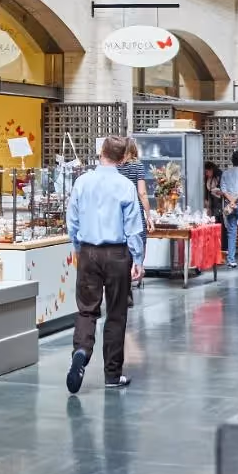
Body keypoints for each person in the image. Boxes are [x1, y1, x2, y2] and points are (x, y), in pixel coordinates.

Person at [64, 136, 144, 393]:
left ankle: (81, 351)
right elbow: (133, 227)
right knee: (117, 313)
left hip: (88, 251)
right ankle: (112, 374)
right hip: (117, 254)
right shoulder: (125, 186)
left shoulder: (82, 181)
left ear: (101, 153)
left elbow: (72, 220)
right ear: (122, 159)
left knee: (86, 309)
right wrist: (138, 259)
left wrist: (78, 246)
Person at [117, 139, 154, 225]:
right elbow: (142, 193)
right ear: (133, 150)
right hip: (135, 211)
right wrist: (148, 216)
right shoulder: (137, 166)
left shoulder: (115, 166)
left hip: (118, 211)